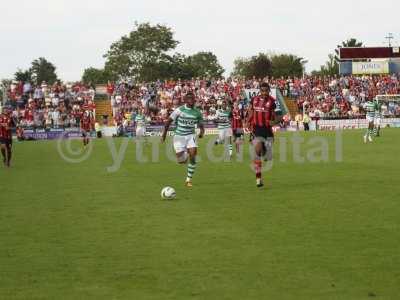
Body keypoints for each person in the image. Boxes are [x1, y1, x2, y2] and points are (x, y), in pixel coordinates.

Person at [161, 92, 204, 187]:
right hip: (179, 136)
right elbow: (168, 122)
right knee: (181, 161)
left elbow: (201, 124)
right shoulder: (179, 110)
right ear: (186, 100)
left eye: (193, 99)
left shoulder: (197, 112)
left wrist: (202, 132)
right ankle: (186, 154)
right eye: (190, 99)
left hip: (191, 135)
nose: (192, 101)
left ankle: (188, 180)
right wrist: (164, 135)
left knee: (193, 154)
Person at [246, 82, 281, 188]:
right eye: (262, 91)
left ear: (269, 91)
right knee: (257, 152)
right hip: (257, 129)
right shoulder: (254, 100)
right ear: (260, 91)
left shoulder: (273, 102)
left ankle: (267, 152)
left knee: (265, 154)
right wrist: (248, 121)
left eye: (266, 91)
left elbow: (279, 116)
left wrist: (274, 122)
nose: (264, 93)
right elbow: (251, 111)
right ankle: (258, 179)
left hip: (267, 130)